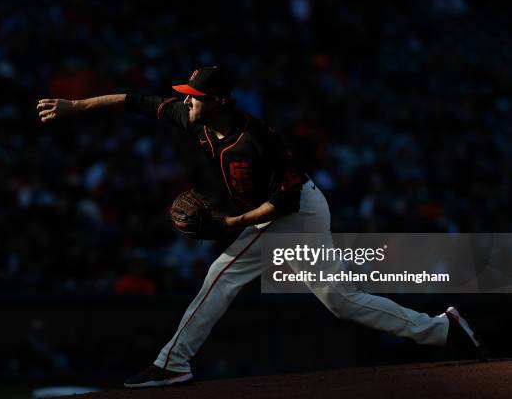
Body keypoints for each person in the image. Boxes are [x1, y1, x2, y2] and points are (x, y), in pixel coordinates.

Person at [37, 66, 483, 389]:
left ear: (220, 102)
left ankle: (172, 363)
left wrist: (231, 223)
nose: (187, 100)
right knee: (342, 303)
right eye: (188, 94)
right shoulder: (192, 118)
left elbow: (284, 199)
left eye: (196, 95)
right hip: (292, 210)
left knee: (222, 275)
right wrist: (76, 106)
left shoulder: (255, 141)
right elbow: (133, 102)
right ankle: (443, 329)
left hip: (295, 213)